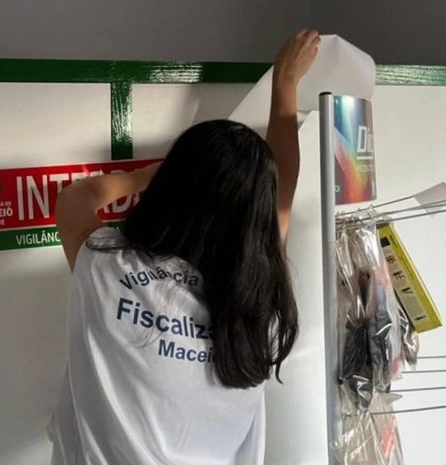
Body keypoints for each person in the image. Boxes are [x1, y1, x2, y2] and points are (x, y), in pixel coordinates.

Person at [48, 29, 321, 465]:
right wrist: (285, 87)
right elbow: (281, 196)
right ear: (258, 218)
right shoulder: (261, 303)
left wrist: (149, 175)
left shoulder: (108, 270)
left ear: (170, 190)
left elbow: (75, 199)